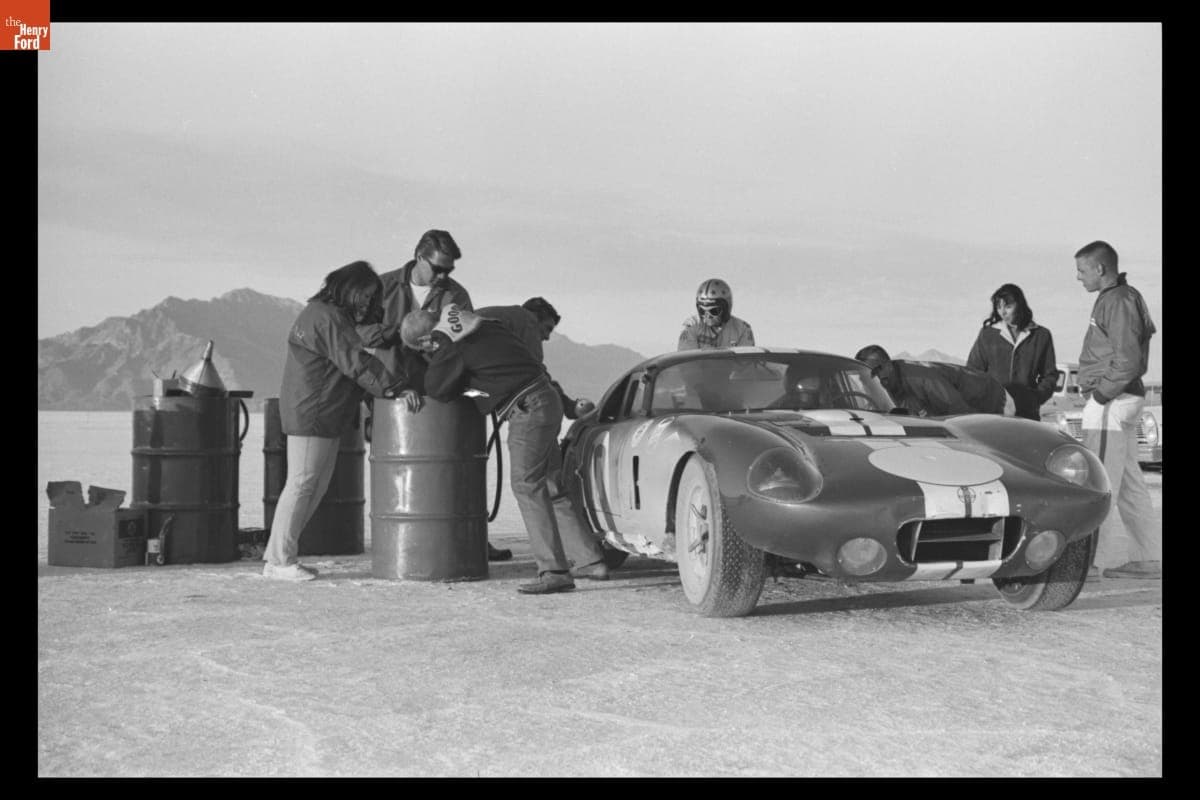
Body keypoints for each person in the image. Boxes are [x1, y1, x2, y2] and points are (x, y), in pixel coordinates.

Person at [401, 304, 611, 594]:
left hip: (527, 410)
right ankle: (590, 560)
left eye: (423, 350)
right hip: (546, 400)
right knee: (551, 486)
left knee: (527, 485)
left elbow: (436, 387)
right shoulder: (486, 325)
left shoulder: (450, 343)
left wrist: (438, 359)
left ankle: (554, 571)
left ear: (426, 340)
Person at [263, 261, 420, 582]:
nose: (366, 301)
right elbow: (356, 363)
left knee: (313, 486)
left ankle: (280, 556)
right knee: (303, 482)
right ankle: (279, 560)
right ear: (348, 286)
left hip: (320, 410)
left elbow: (349, 360)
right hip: (314, 411)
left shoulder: (322, 315)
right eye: (365, 293)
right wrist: (395, 388)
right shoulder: (327, 317)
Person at [1073, 240, 1160, 580]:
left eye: (1082, 270)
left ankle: (1092, 562)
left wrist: (1099, 397)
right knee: (1129, 484)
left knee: (1101, 482)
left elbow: (1128, 360)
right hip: (1122, 399)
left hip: (1111, 401)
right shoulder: (1121, 297)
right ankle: (1150, 558)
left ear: (1100, 268)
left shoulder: (1119, 300)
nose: (1078, 277)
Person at [356, 229, 473, 377]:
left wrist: (427, 342)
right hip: (386, 385)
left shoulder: (457, 296)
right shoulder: (381, 287)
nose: (443, 276)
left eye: (448, 270)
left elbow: (464, 347)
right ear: (420, 257)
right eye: (437, 269)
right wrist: (397, 332)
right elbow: (355, 332)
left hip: (431, 388)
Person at [475, 297, 595, 420]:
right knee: (542, 390)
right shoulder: (528, 319)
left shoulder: (509, 318)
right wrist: (566, 404)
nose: (547, 337)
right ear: (536, 316)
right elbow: (535, 370)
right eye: (548, 328)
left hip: (464, 372)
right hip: (471, 368)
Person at [966, 283, 1060, 420]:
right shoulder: (988, 335)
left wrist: (1036, 398)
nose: (1003, 312)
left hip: (1027, 413)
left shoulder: (1041, 335)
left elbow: (1050, 375)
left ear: (1020, 305)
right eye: (999, 307)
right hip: (992, 413)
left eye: (1008, 306)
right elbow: (972, 373)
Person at [854, 345, 1014, 418]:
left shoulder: (921, 378)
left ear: (889, 365)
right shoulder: (885, 387)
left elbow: (961, 413)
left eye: (878, 370)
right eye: (867, 376)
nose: (876, 378)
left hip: (996, 398)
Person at [678, 278, 755, 351]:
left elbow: (746, 363)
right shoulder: (691, 326)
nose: (707, 316)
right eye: (702, 311)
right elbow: (688, 361)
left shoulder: (742, 329)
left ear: (725, 309)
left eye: (713, 311)